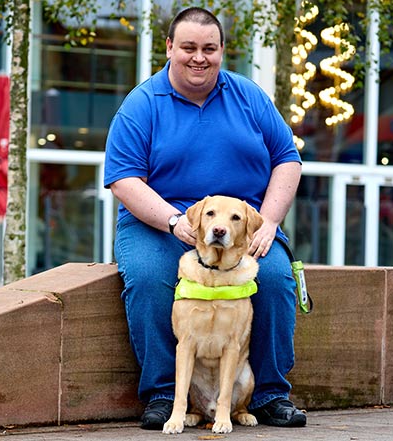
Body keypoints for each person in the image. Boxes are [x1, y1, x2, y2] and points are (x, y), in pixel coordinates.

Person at [103, 7, 306, 430]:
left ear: (222, 51)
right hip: (160, 222)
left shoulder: (249, 97)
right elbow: (124, 180)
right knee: (149, 277)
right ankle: (164, 396)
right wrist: (174, 221)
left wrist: (269, 220)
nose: (199, 57)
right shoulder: (141, 105)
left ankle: (269, 394)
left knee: (273, 278)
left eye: (209, 49)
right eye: (189, 47)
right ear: (169, 48)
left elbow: (287, 158)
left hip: (241, 224)